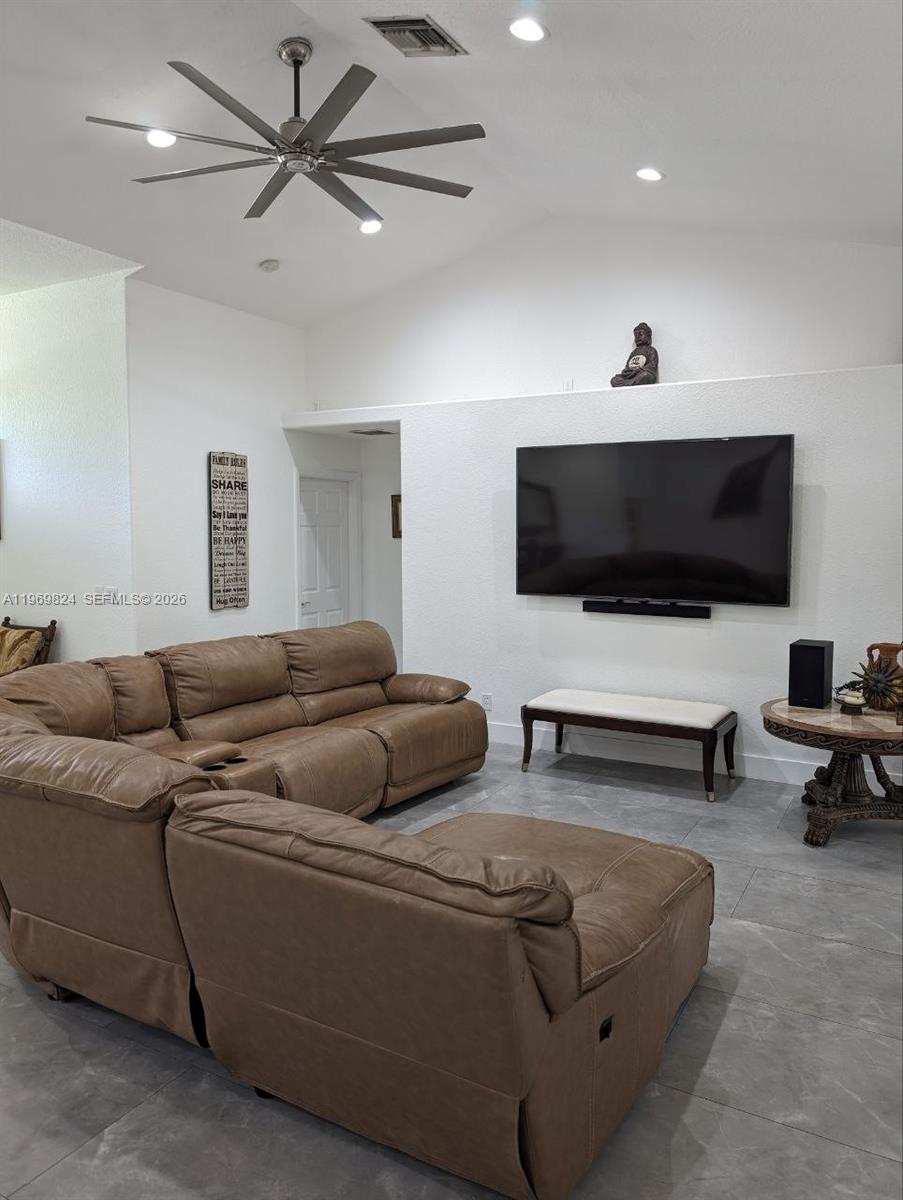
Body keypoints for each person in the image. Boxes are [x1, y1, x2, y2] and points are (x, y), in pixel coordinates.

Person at [610, 322, 659, 386]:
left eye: (640, 334)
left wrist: (639, 370)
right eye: (636, 335)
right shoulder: (634, 352)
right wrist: (626, 372)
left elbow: (652, 365)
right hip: (631, 375)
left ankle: (627, 383)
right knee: (614, 380)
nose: (638, 337)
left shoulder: (651, 350)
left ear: (648, 336)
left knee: (645, 375)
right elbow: (628, 367)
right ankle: (629, 382)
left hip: (641, 374)